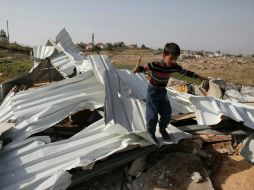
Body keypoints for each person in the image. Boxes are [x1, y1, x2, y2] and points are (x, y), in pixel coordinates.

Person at [133, 43, 207, 143]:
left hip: (163, 91)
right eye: (171, 58)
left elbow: (186, 72)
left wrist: (199, 77)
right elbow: (142, 68)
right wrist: (137, 69)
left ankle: (162, 129)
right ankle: (151, 133)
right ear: (164, 55)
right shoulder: (155, 65)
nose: (173, 61)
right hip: (153, 91)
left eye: (175, 59)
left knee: (167, 113)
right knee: (152, 115)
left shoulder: (173, 67)